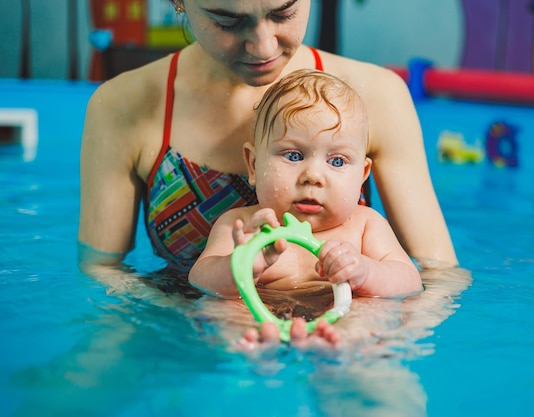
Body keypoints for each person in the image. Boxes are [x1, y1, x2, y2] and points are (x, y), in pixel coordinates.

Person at [78, 0, 457, 284]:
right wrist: (188, 329)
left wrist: (365, 337)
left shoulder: (374, 96)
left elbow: (441, 278)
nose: (262, 47)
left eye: (283, 12)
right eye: (228, 20)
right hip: (201, 342)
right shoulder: (122, 106)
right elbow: (103, 273)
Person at [188, 69, 423, 343]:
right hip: (258, 310)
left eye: (336, 161)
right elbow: (200, 278)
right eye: (294, 155)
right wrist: (239, 264)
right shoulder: (239, 226)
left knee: (369, 309)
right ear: (253, 165)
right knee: (223, 308)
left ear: (361, 175)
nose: (313, 176)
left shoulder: (365, 225)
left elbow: (409, 280)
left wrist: (365, 271)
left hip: (342, 314)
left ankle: (340, 350)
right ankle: (251, 349)